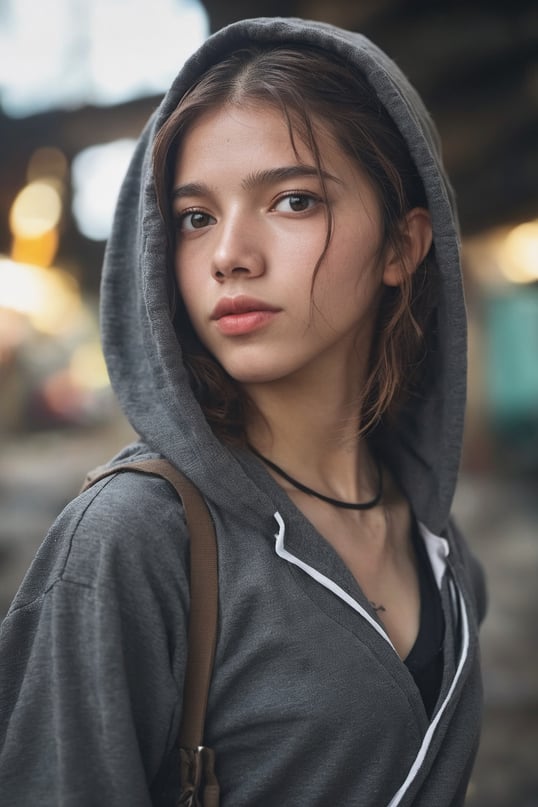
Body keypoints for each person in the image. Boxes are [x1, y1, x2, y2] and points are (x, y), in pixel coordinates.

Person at [0, 16, 486, 807]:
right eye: (195, 217)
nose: (229, 253)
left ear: (403, 245)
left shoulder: (438, 543)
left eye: (293, 201)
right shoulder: (131, 539)